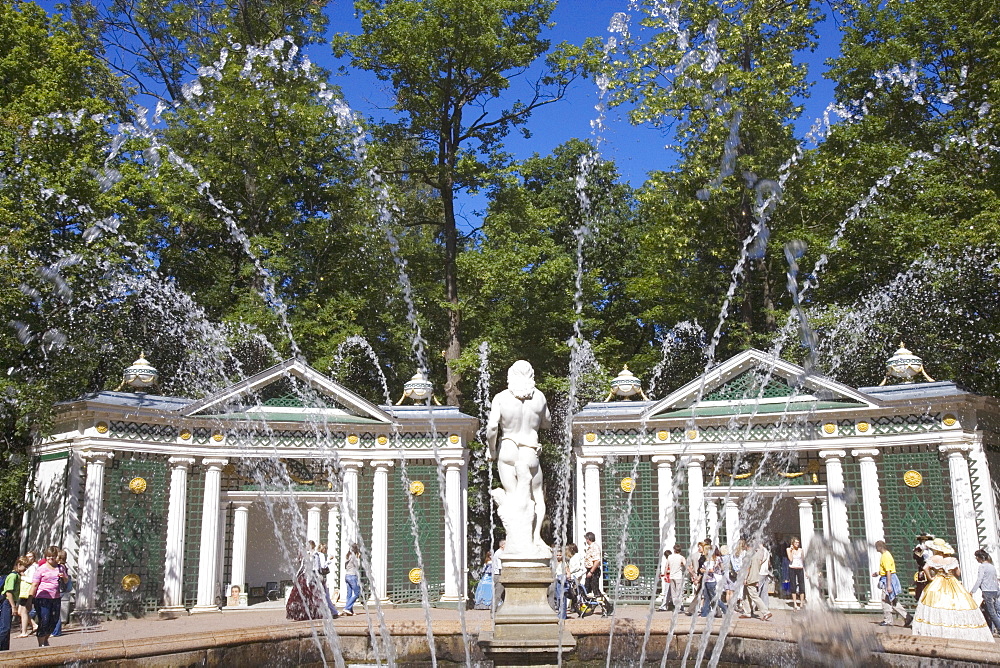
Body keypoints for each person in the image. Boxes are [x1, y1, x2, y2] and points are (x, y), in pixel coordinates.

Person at [486, 361, 551, 554]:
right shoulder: (539, 397)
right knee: (536, 496)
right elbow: (548, 423)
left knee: (514, 498)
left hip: (508, 448)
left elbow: (491, 428)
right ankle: (535, 538)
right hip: (530, 449)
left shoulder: (501, 397)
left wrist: (491, 450)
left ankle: (515, 539)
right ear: (531, 376)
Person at [911, 538, 993, 642]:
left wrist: (931, 578)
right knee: (958, 603)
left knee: (937, 604)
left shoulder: (933, 558)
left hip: (937, 581)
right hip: (952, 582)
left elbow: (925, 568)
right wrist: (951, 573)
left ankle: (938, 631)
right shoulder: (953, 560)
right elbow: (958, 574)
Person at [28, 546, 65, 647]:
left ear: (56, 556)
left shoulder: (60, 568)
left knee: (54, 620)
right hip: (42, 598)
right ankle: (41, 644)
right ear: (45, 557)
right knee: (44, 620)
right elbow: (34, 585)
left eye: (53, 556)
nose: (50, 558)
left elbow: (66, 581)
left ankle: (46, 639)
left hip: (56, 598)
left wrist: (64, 577)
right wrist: (30, 599)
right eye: (48, 556)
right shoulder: (41, 569)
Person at [873, 540, 910, 627]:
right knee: (893, 600)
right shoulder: (887, 555)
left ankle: (888, 620)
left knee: (885, 600)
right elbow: (886, 570)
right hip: (889, 578)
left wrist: (889, 585)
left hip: (888, 580)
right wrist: (878, 573)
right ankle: (907, 616)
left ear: (880, 547)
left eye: (876, 547)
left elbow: (888, 571)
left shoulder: (885, 556)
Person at [970, 549, 1000, 635]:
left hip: (987, 591)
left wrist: (973, 591)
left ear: (980, 557)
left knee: (991, 612)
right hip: (995, 591)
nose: (976, 558)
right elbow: (994, 579)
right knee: (994, 610)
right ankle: (992, 629)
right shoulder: (992, 566)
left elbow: (980, 579)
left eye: (977, 557)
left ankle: (998, 628)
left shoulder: (982, 567)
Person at [742, 542, 772, 621]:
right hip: (755, 576)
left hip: (750, 577)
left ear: (747, 546)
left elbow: (747, 568)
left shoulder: (748, 555)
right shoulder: (756, 555)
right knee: (745, 594)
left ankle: (766, 612)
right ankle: (747, 612)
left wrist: (745, 578)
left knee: (754, 595)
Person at [1, 558, 26, 651]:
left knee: (7, 629)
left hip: (11, 602)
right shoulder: (13, 576)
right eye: (24, 567)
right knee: (5, 627)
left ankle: (4, 650)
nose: (25, 570)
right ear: (18, 565)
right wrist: (13, 606)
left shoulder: (18, 576)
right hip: (7, 602)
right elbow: (8, 592)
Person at [700, 547, 728, 618]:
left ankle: (726, 610)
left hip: (711, 581)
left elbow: (711, 570)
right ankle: (704, 613)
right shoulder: (707, 561)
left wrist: (704, 570)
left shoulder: (711, 561)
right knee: (707, 597)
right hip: (706, 581)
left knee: (714, 598)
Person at [659, 545, 687, 613]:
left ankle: (676, 606)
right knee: (679, 593)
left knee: (673, 593)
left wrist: (665, 575)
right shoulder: (681, 557)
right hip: (678, 577)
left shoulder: (670, 557)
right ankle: (679, 607)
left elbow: (666, 566)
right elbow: (686, 565)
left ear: (674, 550)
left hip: (671, 577)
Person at [316, 543, 339, 617]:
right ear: (323, 549)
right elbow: (323, 565)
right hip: (320, 576)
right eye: (326, 549)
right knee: (326, 595)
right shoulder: (321, 555)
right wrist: (329, 560)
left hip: (315, 577)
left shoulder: (315, 554)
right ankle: (333, 612)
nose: (326, 550)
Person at [18, 551, 37, 637]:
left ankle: (24, 631)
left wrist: (23, 576)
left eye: (30, 556)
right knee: (20, 612)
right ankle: (34, 625)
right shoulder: (28, 567)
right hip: (23, 592)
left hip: (27, 591)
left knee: (24, 612)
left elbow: (32, 580)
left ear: (34, 557)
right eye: (27, 556)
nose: (28, 558)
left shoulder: (33, 567)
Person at [913, 532, 934, 603]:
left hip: (933, 570)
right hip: (924, 571)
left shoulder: (931, 549)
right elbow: (916, 557)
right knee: (922, 588)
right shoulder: (919, 548)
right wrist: (922, 549)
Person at [343, 542, 361, 616]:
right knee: (357, 593)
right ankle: (347, 608)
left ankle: (350, 611)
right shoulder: (353, 557)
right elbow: (358, 566)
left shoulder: (348, 556)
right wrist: (358, 558)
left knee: (349, 594)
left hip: (347, 575)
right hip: (352, 576)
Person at [787, 537, 805, 610]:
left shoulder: (801, 550)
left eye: (798, 542)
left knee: (801, 585)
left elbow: (803, 560)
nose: (797, 544)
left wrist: (805, 570)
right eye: (796, 543)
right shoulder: (788, 549)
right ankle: (795, 603)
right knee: (793, 585)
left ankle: (801, 603)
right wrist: (791, 550)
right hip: (792, 568)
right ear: (792, 543)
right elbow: (790, 559)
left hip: (800, 568)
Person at [583, 532, 602, 598]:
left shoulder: (594, 547)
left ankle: (604, 604)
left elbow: (597, 561)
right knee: (587, 589)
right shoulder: (590, 547)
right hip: (590, 570)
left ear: (588, 539)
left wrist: (591, 572)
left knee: (594, 590)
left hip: (594, 571)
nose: (586, 541)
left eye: (586, 539)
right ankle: (588, 605)